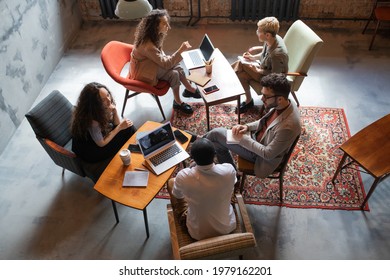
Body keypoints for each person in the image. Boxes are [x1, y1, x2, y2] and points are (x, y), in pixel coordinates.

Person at [205, 73, 301, 179]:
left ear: (280, 99)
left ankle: (197, 144)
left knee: (216, 133)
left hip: (260, 156)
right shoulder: (285, 103)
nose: (262, 99)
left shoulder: (288, 127)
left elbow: (268, 154)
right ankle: (232, 176)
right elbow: (264, 121)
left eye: (265, 96)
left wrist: (242, 139)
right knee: (218, 144)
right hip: (256, 139)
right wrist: (247, 127)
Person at [130, 9, 200, 115]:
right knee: (174, 74)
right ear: (155, 25)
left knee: (176, 65)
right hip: (143, 72)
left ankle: (189, 89)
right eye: (165, 24)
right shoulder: (148, 46)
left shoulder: (153, 35)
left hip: (148, 63)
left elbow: (162, 58)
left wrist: (173, 58)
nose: (169, 26)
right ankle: (178, 102)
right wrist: (180, 50)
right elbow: (166, 64)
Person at [167, 138, 237, 240]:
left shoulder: (183, 176)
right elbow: (233, 183)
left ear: (192, 158)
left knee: (171, 183)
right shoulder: (229, 170)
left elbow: (178, 196)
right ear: (214, 154)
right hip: (227, 227)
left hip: (197, 233)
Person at [71, 82, 136, 180]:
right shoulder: (92, 120)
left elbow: (116, 125)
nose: (109, 101)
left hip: (95, 139)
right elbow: (101, 143)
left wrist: (114, 112)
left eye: (108, 95)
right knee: (128, 129)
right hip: (91, 151)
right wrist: (119, 128)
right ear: (94, 104)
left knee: (128, 128)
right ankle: (133, 156)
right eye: (103, 100)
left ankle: (134, 153)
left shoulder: (98, 109)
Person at [231, 16, 289, 114]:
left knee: (241, 64)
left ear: (267, 35)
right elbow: (264, 54)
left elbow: (275, 76)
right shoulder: (272, 39)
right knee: (241, 74)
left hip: (270, 80)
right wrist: (252, 58)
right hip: (263, 68)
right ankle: (249, 101)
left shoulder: (277, 54)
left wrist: (258, 71)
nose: (257, 33)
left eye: (258, 31)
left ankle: (228, 73)